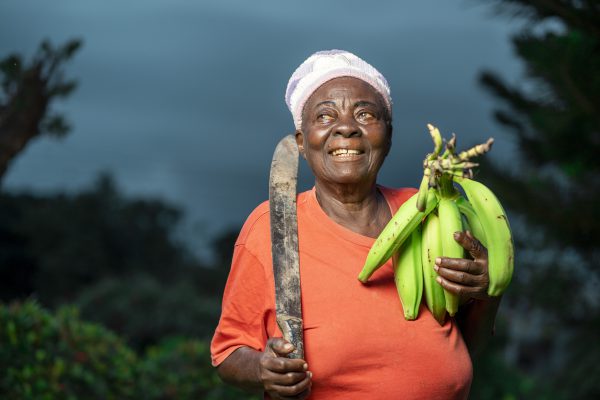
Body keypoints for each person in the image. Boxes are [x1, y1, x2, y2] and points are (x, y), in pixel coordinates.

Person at [211, 50, 501, 399]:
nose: (346, 127)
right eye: (325, 115)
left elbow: (470, 345)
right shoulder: (272, 228)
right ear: (303, 143)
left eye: (365, 114)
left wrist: (486, 295)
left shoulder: (432, 214)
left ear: (388, 137)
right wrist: (262, 368)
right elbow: (228, 354)